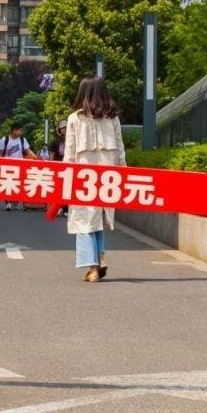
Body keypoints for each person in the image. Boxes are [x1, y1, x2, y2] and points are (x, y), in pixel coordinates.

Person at [64, 77, 125, 282]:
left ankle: (93, 268)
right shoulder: (113, 118)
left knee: (84, 222)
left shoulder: (75, 118)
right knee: (97, 219)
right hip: (110, 179)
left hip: (83, 178)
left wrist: (65, 180)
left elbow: (70, 154)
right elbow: (120, 150)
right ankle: (100, 258)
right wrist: (123, 174)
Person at [0, 124, 34, 210]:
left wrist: (36, 158)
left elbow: (28, 151)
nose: (21, 133)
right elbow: (0, 152)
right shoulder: (5, 139)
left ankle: (15, 201)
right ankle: (8, 203)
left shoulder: (22, 140)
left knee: (17, 184)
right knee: (7, 184)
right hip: (7, 165)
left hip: (19, 165)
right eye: (20, 131)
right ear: (14, 130)